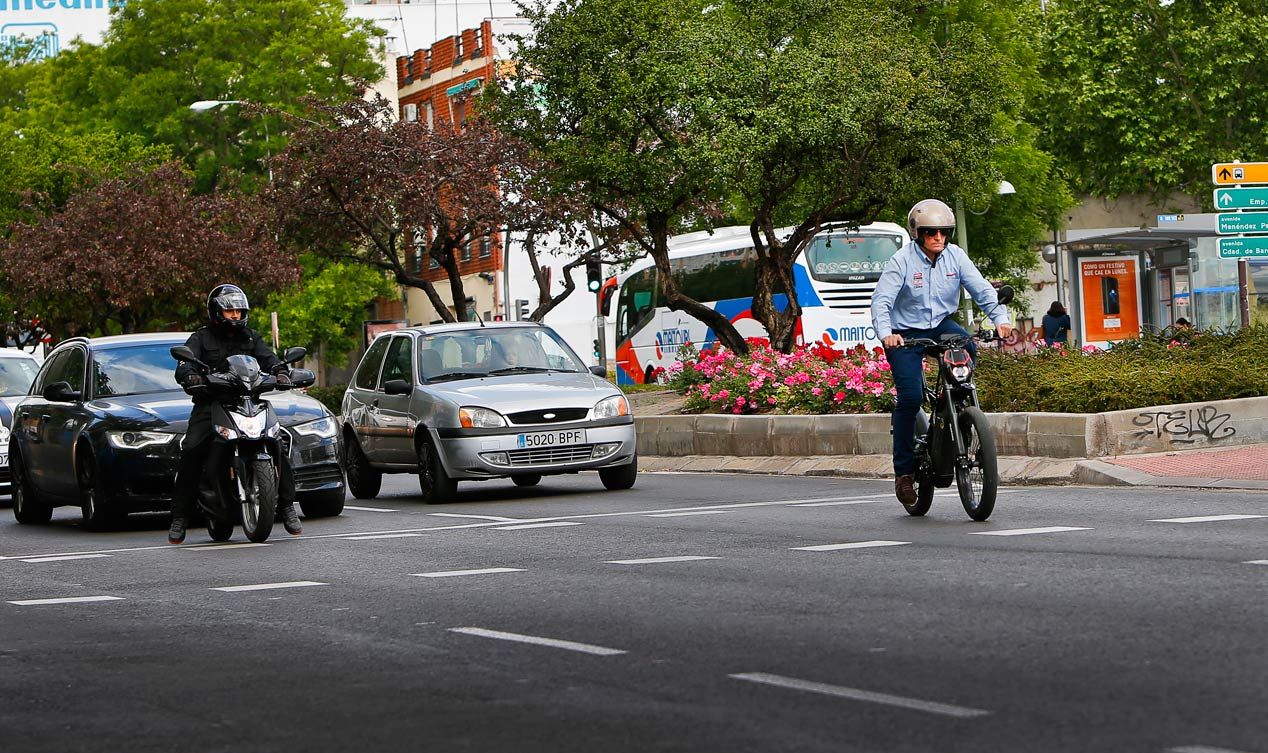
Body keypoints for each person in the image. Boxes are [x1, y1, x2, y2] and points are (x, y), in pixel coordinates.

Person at [870, 199, 1013, 506]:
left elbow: (983, 290)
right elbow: (881, 301)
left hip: (940, 325)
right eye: (930, 232)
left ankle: (959, 409)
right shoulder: (902, 261)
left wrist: (1001, 321)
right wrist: (887, 334)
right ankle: (904, 473)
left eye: (943, 231)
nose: (938, 237)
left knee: (968, 348)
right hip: (904, 332)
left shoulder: (956, 257)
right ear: (917, 233)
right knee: (909, 397)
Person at [168, 284, 302, 544]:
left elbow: (269, 359)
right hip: (212, 404)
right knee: (193, 449)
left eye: (239, 312)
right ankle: (179, 518)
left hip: (249, 402)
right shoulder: (201, 338)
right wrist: (191, 375)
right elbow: (184, 364)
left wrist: (281, 372)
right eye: (230, 312)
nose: (235, 316)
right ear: (217, 312)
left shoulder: (251, 337)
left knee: (277, 443)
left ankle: (287, 507)